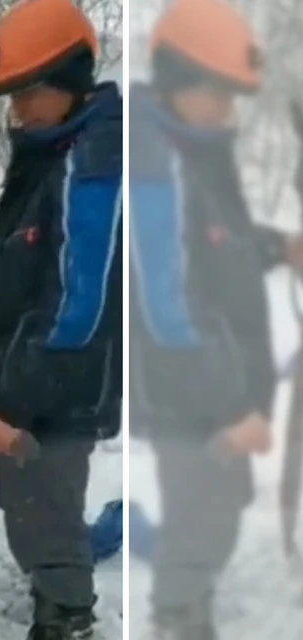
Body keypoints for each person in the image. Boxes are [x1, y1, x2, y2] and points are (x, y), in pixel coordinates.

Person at [0, 0, 122, 637]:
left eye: (25, 94)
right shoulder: (53, 146)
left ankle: (66, 612)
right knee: (23, 495)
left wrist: (10, 408)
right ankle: (50, 565)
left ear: (67, 83)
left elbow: (75, 305)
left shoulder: (95, 163)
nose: (14, 111)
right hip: (30, 382)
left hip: (59, 391)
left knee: (44, 505)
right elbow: (36, 238)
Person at [126, 0, 303, 637]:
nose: (229, 110)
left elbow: (211, 239)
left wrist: (275, 246)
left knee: (217, 513)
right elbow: (168, 305)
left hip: (212, 389)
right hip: (193, 396)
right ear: (178, 79)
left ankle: (187, 604)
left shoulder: (194, 146)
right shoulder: (155, 158)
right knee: (198, 527)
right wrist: (234, 408)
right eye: (219, 94)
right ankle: (179, 621)